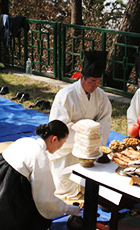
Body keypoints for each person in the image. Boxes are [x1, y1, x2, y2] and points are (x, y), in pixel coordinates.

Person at [49, 50, 112, 199]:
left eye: (98, 81)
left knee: (93, 188)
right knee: (66, 190)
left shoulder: (101, 96)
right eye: (92, 81)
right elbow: (58, 126)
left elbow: (105, 120)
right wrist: (85, 133)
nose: (96, 85)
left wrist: (94, 141)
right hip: (68, 149)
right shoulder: (66, 95)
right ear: (82, 77)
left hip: (91, 149)